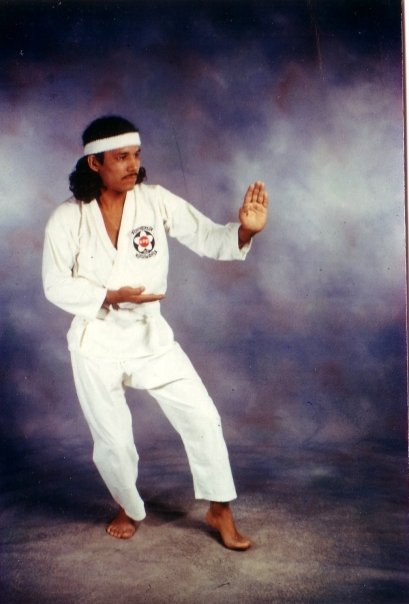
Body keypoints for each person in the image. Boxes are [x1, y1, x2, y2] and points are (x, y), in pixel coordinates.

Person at [42, 115, 268, 550]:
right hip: (96, 340)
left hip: (150, 336)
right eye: (121, 157)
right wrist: (107, 295)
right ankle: (127, 506)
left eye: (136, 154)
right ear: (94, 163)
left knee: (202, 416)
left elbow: (206, 236)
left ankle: (220, 507)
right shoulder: (68, 218)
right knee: (113, 440)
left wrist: (244, 231)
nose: (133, 164)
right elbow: (55, 284)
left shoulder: (155, 201)